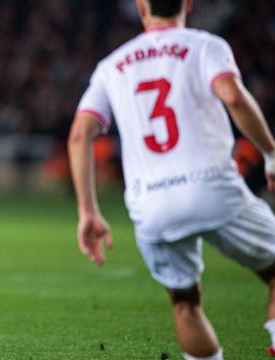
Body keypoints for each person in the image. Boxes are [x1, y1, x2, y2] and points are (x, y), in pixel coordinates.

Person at [68, 0, 275, 359]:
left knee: (185, 304)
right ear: (188, 4)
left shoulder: (112, 65)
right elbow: (234, 98)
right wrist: (271, 153)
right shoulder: (206, 45)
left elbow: (79, 135)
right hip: (212, 188)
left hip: (151, 203)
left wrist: (88, 210)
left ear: (141, 7)